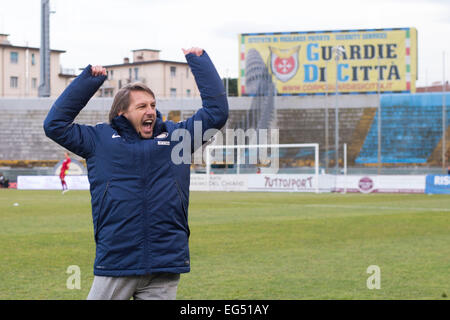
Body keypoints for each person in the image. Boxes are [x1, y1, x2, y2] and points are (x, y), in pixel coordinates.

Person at [43, 47, 228, 300]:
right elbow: (54, 125)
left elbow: (216, 113)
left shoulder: (177, 138)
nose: (150, 111)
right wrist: (89, 82)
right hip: (118, 260)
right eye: (142, 106)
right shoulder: (98, 139)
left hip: (165, 262)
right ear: (122, 112)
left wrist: (199, 61)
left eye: (153, 105)